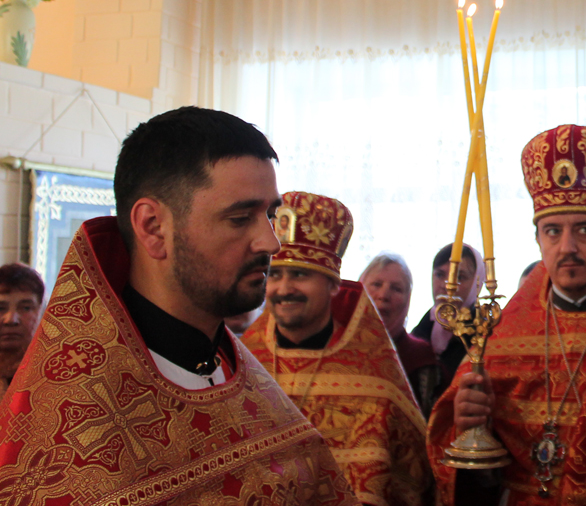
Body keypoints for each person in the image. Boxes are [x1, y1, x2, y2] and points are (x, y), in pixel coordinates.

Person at [0, 106, 354, 503]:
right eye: (240, 218)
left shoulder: (248, 382)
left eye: (270, 215)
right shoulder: (68, 432)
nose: (271, 243)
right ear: (153, 227)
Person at [427, 124, 586, 506]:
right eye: (552, 231)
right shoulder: (504, 334)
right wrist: (470, 425)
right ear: (538, 240)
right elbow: (467, 468)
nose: (567, 247)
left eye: (584, 230)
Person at [243, 192, 431, 506]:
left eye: (300, 274)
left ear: (333, 284)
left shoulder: (375, 376)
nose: (284, 288)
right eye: (274, 274)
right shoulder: (241, 363)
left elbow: (414, 480)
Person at [362, 251, 443, 417]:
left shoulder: (421, 358)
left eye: (396, 289)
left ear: (408, 300)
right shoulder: (332, 346)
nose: (384, 295)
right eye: (376, 284)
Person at [412, 243, 483, 388]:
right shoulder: (424, 326)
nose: (446, 285)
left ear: (477, 282)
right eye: (439, 274)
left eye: (460, 277)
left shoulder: (483, 332)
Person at [0, 263, 43, 395]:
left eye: (26, 308)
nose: (11, 320)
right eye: (1, 308)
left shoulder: (53, 371)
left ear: (40, 312)